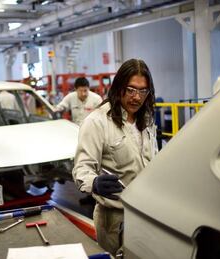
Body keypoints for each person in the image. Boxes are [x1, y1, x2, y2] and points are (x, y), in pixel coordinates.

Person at [72, 59, 158, 256]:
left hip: (147, 215)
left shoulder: (146, 119)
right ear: (118, 86)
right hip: (115, 221)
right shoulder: (97, 122)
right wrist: (94, 182)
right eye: (131, 90)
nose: (137, 97)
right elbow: (81, 169)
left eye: (143, 91)